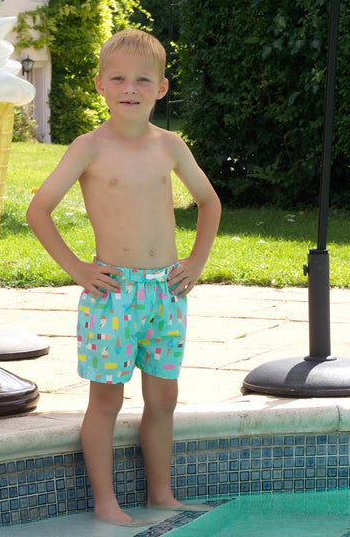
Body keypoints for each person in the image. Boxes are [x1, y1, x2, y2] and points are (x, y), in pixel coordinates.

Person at [26, 28, 221, 526]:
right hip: (113, 294)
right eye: (118, 78)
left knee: (164, 398)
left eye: (142, 79)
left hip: (167, 293)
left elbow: (208, 201)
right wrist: (77, 268)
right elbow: (38, 210)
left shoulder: (170, 146)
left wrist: (196, 261)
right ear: (100, 85)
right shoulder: (89, 147)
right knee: (107, 400)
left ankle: (161, 493)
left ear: (161, 87)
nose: (129, 88)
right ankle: (106, 502)